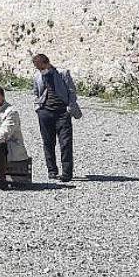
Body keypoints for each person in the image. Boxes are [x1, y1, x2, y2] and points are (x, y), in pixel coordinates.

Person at [32, 54, 81, 182]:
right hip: (45, 113)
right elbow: (36, 93)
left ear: (47, 63)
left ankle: (67, 173)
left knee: (65, 143)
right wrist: (38, 108)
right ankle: (52, 171)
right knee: (48, 143)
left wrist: (70, 107)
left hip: (62, 113)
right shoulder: (37, 76)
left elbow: (72, 91)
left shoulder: (63, 73)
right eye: (38, 68)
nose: (40, 70)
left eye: (42, 67)